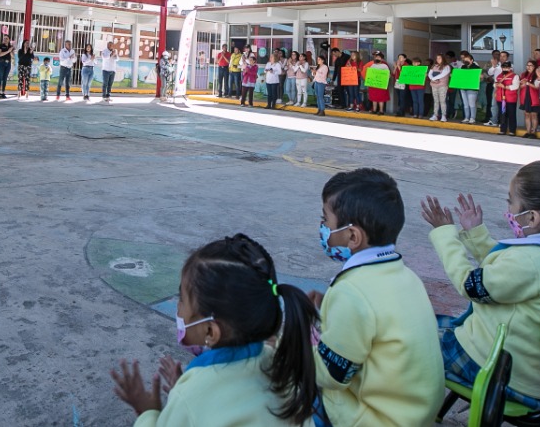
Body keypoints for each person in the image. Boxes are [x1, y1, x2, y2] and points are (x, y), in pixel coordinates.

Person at [422, 162, 540, 410]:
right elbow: (509, 273)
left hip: (499, 370)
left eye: (511, 203)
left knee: (406, 337)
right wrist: (476, 233)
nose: (509, 210)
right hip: (532, 371)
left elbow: (470, 285)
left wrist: (444, 234)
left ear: (532, 217)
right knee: (430, 324)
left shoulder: (530, 262)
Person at [110, 234, 318, 426]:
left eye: (182, 298)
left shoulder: (190, 396)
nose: (178, 306)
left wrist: (148, 412)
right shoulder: (280, 364)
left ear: (210, 331)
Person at [310, 169, 444, 425]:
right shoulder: (406, 276)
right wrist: (328, 308)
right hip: (414, 414)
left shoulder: (352, 292)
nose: (323, 228)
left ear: (352, 236)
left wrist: (298, 339)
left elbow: (331, 376)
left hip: (376, 419)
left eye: (325, 220)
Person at [494, 61, 519, 136]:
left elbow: (515, 86)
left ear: (510, 68)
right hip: (500, 98)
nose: (505, 69)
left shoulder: (515, 76)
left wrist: (504, 87)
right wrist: (496, 85)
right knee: (502, 115)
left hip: (510, 99)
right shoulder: (498, 76)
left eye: (507, 67)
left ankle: (512, 130)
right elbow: (494, 85)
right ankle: (502, 130)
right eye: (503, 67)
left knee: (511, 115)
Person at [519, 60, 540, 138]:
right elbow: (520, 86)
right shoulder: (523, 74)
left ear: (534, 66)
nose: (528, 67)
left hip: (534, 97)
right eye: (527, 65)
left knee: (534, 114)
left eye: (531, 65)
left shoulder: (537, 75)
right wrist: (522, 83)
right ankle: (528, 131)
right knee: (527, 114)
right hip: (525, 96)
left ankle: (533, 132)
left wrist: (528, 83)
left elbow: (537, 86)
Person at [455, 52, 479, 123]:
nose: (465, 61)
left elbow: (480, 77)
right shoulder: (463, 67)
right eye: (464, 60)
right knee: (465, 103)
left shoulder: (476, 67)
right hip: (463, 87)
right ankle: (466, 117)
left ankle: (472, 118)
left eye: (467, 60)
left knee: (471, 103)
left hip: (472, 88)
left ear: (471, 60)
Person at [427, 54, 450, 122]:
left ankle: (443, 115)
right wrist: (432, 79)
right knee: (436, 101)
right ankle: (435, 115)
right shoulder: (434, 66)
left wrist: (434, 78)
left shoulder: (446, 66)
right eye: (437, 58)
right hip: (434, 85)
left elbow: (443, 74)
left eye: (439, 58)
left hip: (442, 85)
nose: (438, 59)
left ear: (443, 59)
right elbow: (429, 73)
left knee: (442, 101)